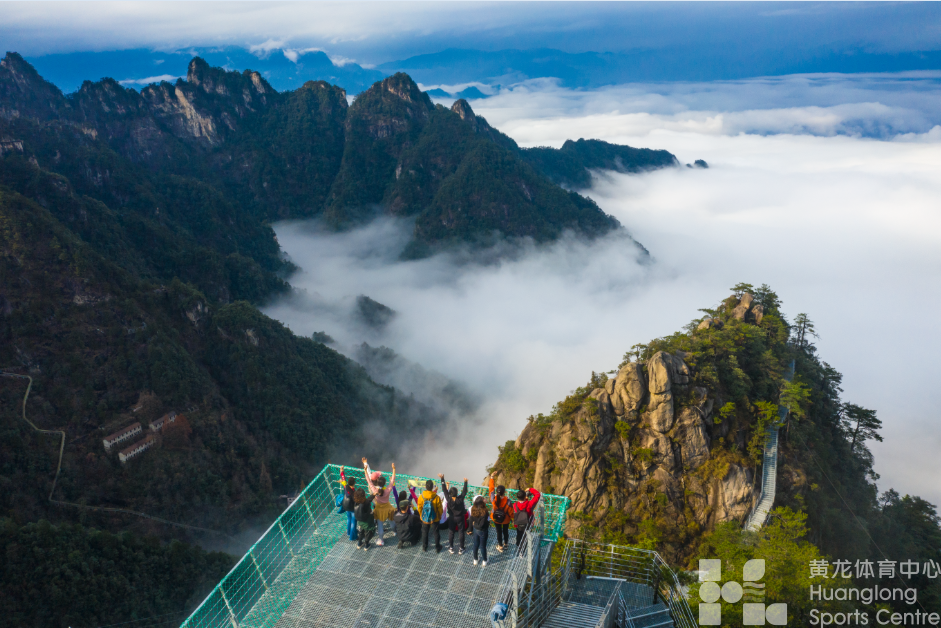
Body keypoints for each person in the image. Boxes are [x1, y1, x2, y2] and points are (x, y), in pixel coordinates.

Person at [363, 458, 396, 546]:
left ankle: (381, 540)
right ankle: (395, 532)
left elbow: (368, 480)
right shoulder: (388, 490)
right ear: (384, 483)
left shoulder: (374, 489)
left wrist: (365, 470)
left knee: (380, 525)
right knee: (391, 521)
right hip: (388, 508)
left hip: (379, 510)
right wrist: (393, 469)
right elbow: (392, 480)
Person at [439, 473, 468, 554]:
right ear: (456, 493)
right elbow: (464, 491)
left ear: (450, 494)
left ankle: (451, 547)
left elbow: (444, 490)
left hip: (451, 517)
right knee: (461, 532)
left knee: (451, 532)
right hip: (460, 517)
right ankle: (461, 548)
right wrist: (465, 482)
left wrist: (442, 479)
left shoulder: (448, 499)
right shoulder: (460, 499)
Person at [416, 479, 443, 552]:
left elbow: (419, 507)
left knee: (425, 532)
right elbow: (440, 509)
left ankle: (425, 547)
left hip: (424, 518)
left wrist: (421, 515)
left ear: (425, 487)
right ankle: (437, 548)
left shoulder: (421, 497)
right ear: (432, 487)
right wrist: (439, 516)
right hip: (435, 518)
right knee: (436, 533)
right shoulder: (437, 497)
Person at [513, 487, 542, 553]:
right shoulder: (529, 504)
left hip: (518, 523)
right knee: (525, 536)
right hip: (528, 523)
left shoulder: (515, 505)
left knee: (519, 534)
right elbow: (538, 494)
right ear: (524, 497)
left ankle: (518, 545)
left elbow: (520, 506)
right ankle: (522, 551)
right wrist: (530, 489)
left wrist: (525, 499)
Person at [469, 495, 490, 567]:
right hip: (483, 531)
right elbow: (482, 524)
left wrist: (471, 528)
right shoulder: (484, 511)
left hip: (475, 530)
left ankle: (475, 559)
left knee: (475, 544)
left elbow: (471, 519)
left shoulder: (473, 509)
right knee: (482, 546)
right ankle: (484, 560)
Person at [491, 485, 511, 552]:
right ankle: (506, 544)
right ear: (504, 492)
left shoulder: (493, 498)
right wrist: (513, 519)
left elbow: (491, 490)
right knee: (505, 531)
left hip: (496, 518)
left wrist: (492, 477)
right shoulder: (508, 501)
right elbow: (511, 512)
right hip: (505, 519)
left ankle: (500, 546)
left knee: (498, 532)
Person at [340, 471, 358, 542]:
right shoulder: (354, 492)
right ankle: (352, 537)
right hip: (352, 508)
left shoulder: (346, 486)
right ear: (354, 483)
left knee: (349, 519)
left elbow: (343, 479)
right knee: (354, 522)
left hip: (346, 506)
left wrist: (341, 471)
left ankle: (348, 532)